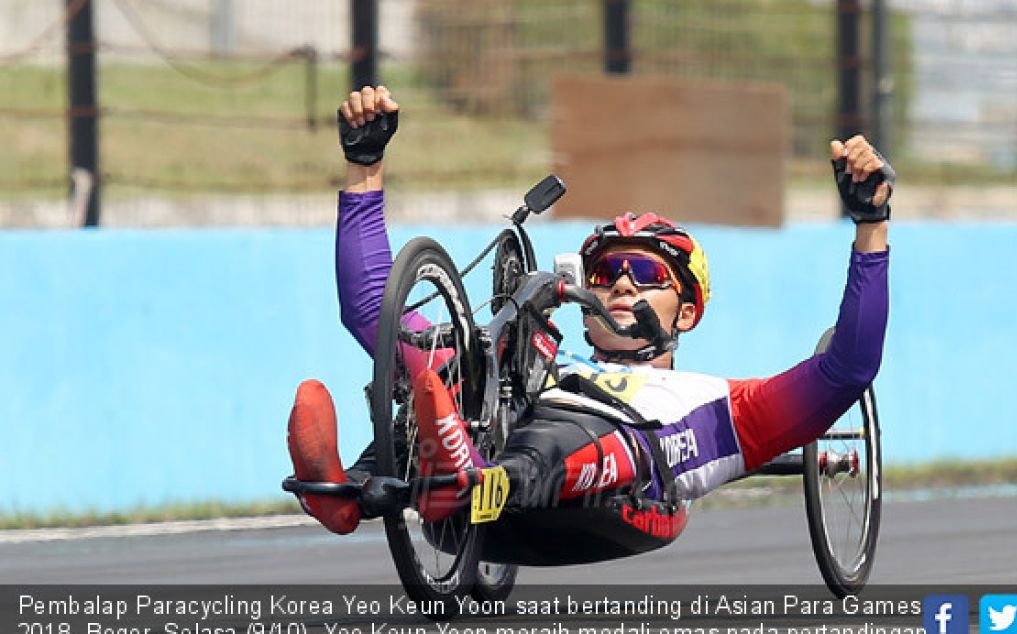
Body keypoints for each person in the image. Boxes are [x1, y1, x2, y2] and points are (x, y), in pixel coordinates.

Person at [287, 85, 891, 564]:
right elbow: (372, 307)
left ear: (687, 311)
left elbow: (849, 368)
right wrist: (364, 164)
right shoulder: (543, 368)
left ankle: (471, 475)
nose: (621, 283)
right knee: (445, 357)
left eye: (644, 273)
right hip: (488, 477)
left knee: (578, 435)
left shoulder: (722, 404)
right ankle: (349, 490)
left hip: (624, 490)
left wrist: (871, 227)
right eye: (606, 273)